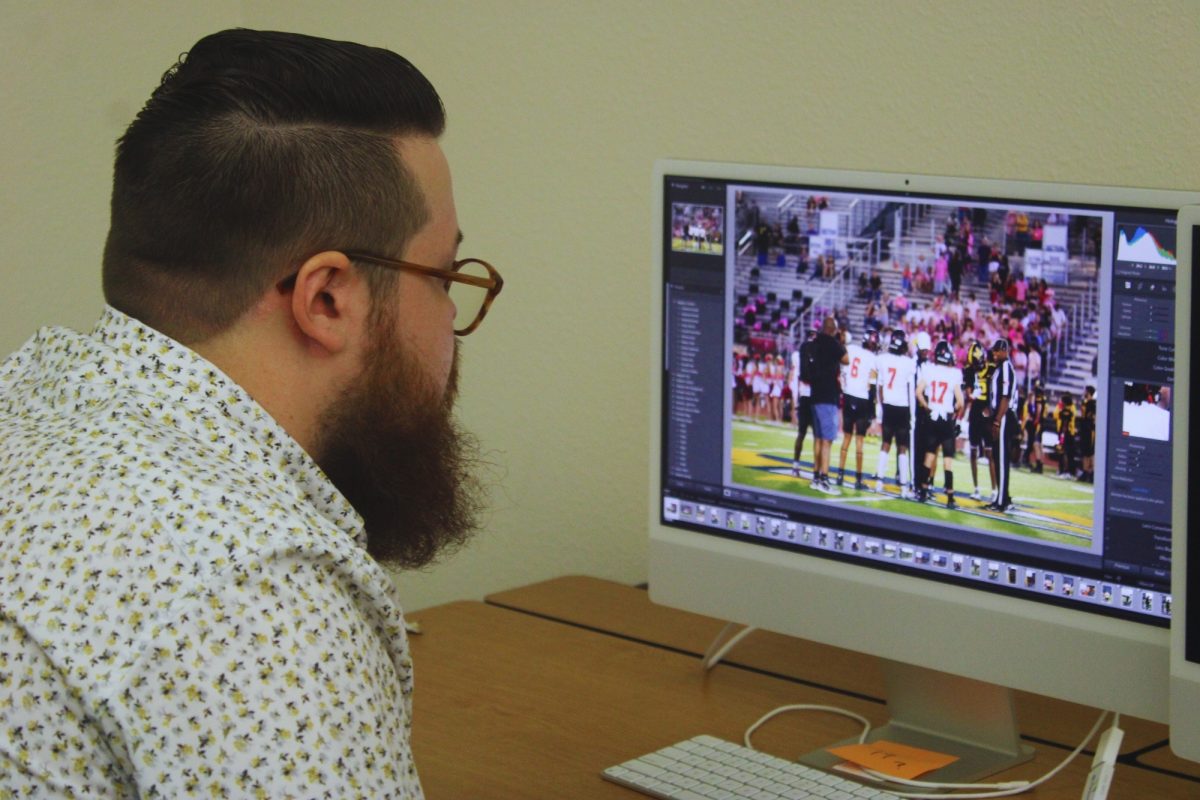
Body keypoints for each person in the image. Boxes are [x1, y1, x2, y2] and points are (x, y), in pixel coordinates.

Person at [0, 30, 502, 798]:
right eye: (441, 274)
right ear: (326, 298)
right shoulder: (256, 598)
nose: (448, 315)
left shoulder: (29, 395)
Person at [915, 341, 964, 508]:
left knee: (929, 455)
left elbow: (918, 393)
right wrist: (953, 410)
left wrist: (927, 407)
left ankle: (923, 491)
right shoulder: (954, 374)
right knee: (947, 460)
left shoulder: (929, 369)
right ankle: (950, 497)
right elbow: (961, 402)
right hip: (945, 419)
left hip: (932, 416)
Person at [807, 316, 849, 493]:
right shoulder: (833, 344)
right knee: (827, 441)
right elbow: (846, 359)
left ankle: (816, 477)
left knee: (818, 439)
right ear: (833, 329)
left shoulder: (815, 342)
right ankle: (824, 480)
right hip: (827, 395)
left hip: (814, 393)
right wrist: (840, 340)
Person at [874, 328, 916, 498]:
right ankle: (904, 487)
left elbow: (880, 387)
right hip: (902, 407)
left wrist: (882, 407)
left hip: (888, 406)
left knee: (885, 444)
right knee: (902, 448)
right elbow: (910, 390)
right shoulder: (909, 363)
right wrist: (912, 414)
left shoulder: (882, 359)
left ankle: (879, 481)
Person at [836, 331, 879, 489]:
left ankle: (840, 474)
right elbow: (872, 386)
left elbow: (842, 369)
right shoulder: (873, 359)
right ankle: (858, 479)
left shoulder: (852, 349)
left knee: (846, 438)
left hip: (848, 396)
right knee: (859, 440)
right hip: (862, 398)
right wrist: (872, 411)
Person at [989, 338, 1019, 512]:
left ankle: (1002, 502)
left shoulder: (1006, 368)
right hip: (1001, 415)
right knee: (997, 457)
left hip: (1005, 416)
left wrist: (997, 420)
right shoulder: (1000, 368)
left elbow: (1005, 398)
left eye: (996, 351)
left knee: (1001, 458)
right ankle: (1003, 497)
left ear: (1003, 351)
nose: (994, 354)